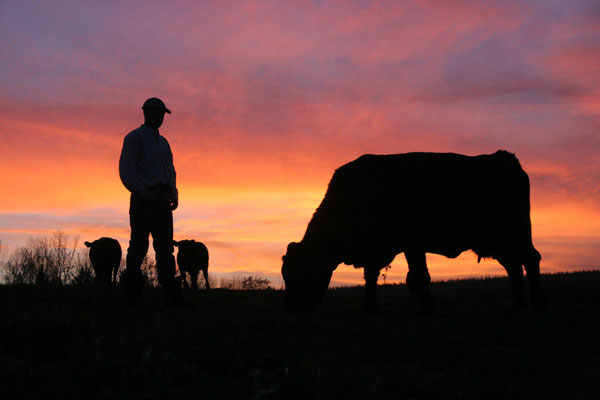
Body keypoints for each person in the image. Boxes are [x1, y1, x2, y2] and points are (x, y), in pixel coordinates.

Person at [119, 97, 185, 306]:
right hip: (144, 199)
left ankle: (171, 292)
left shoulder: (163, 143)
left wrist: (173, 193)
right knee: (139, 245)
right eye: (156, 113)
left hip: (162, 200)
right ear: (146, 114)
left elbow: (170, 171)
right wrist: (140, 191)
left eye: (162, 114)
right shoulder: (134, 138)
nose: (160, 117)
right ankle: (133, 292)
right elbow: (126, 169)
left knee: (165, 247)